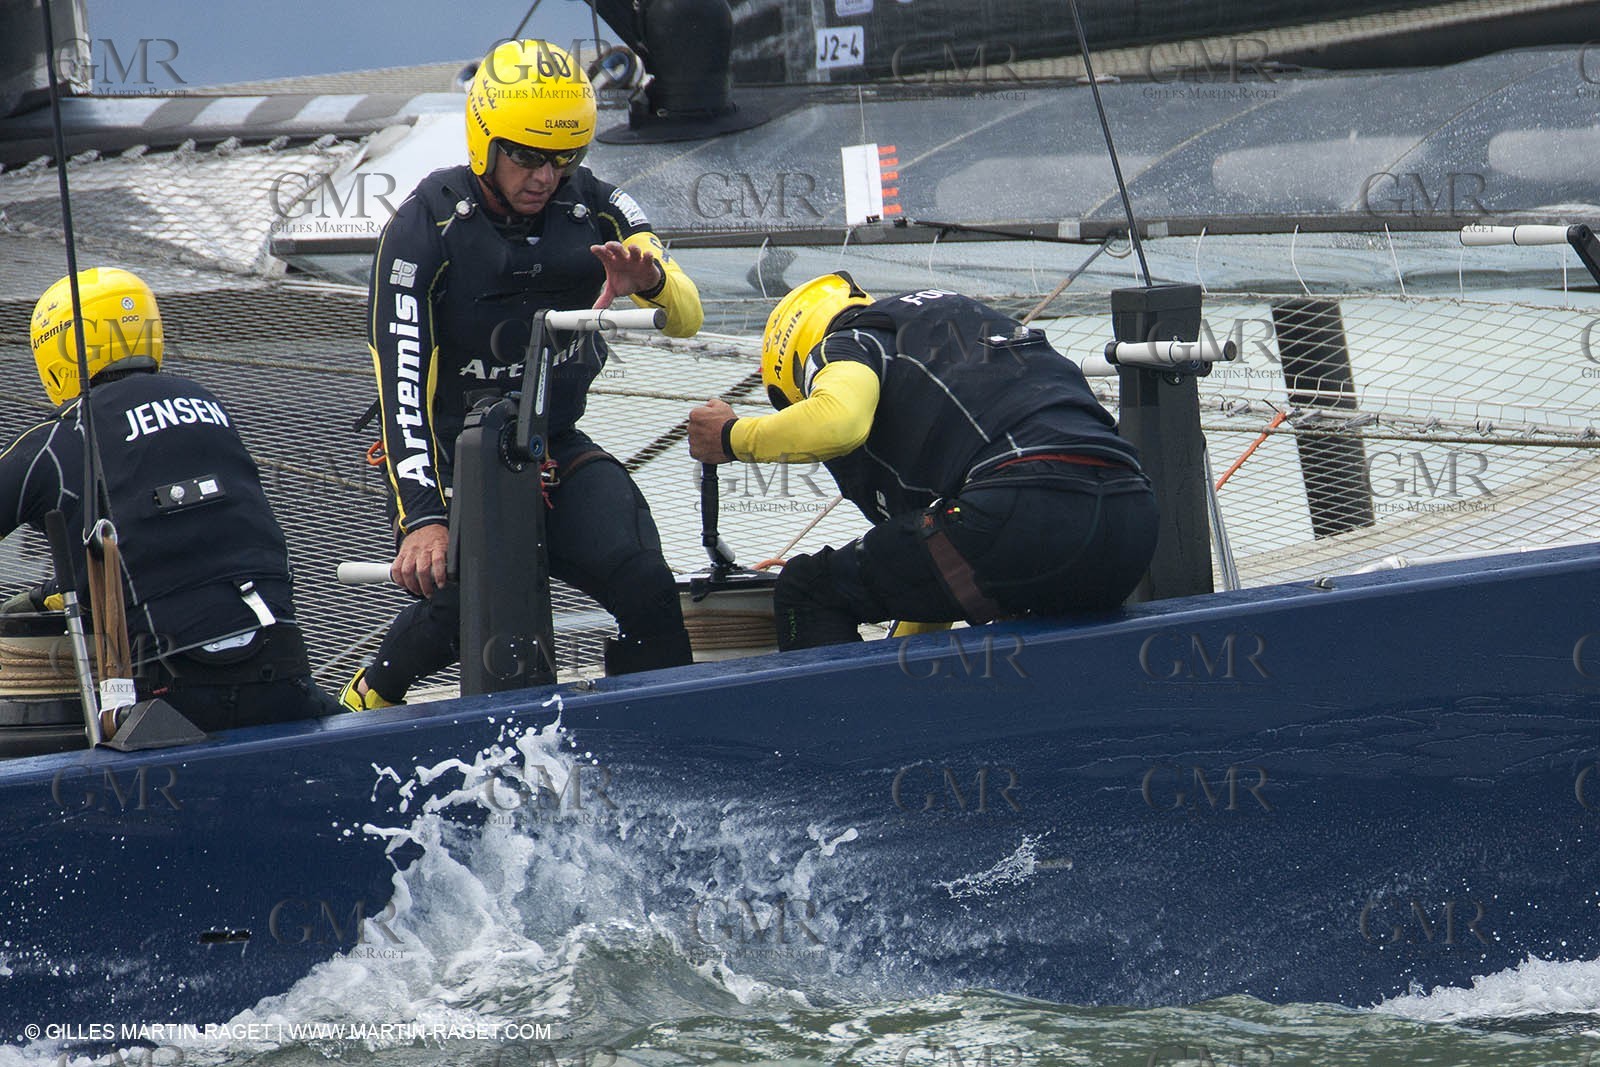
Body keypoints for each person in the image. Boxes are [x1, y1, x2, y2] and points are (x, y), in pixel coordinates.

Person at [343, 39, 702, 710]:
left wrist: (649, 278)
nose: (545, 176)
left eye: (565, 158)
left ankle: (657, 735)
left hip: (551, 446)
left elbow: (685, 316)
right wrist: (421, 518)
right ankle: (366, 695)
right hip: (455, 460)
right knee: (472, 606)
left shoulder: (596, 205)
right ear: (486, 142)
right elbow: (402, 391)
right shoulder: (425, 228)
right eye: (527, 156)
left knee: (644, 578)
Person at [687, 273, 1160, 649]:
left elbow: (838, 422)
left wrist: (732, 437)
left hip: (1021, 507)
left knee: (810, 589)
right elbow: (928, 577)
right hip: (1132, 520)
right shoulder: (963, 323)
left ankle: (839, 761)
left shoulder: (848, 341)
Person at [2, 267, 338, 731]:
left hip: (168, 698)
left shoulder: (59, 440)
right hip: (283, 671)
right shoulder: (209, 404)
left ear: (56, 352)